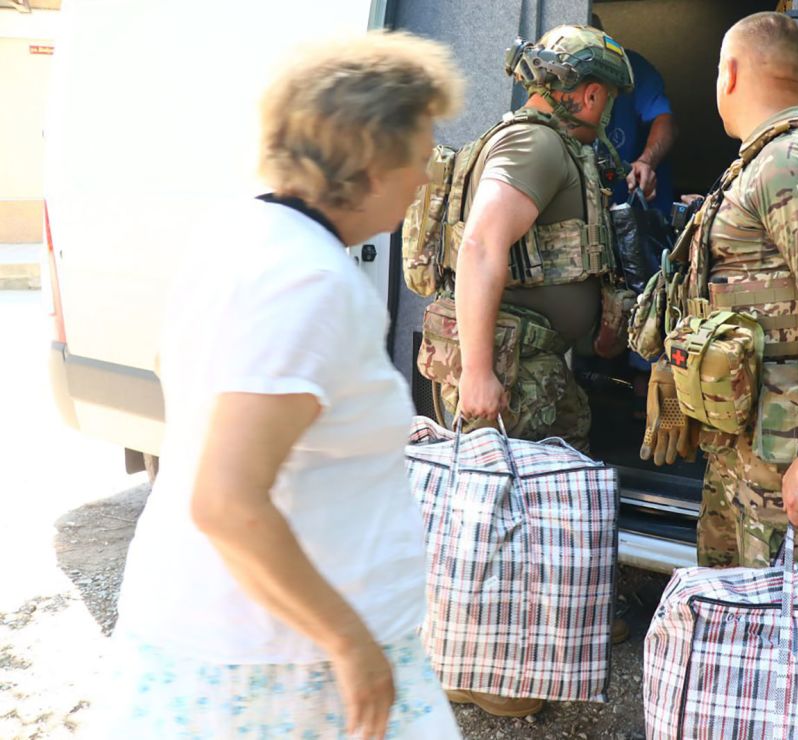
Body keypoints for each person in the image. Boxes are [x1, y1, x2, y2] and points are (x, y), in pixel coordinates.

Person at [91, 32, 464, 739]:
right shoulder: (307, 283)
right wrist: (348, 643)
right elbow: (226, 502)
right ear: (368, 159)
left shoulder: (245, 233)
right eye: (419, 155)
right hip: (280, 663)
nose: (425, 178)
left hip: (260, 641)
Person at [644, 12, 798, 569]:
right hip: (745, 437)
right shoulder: (763, 161)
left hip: (782, 450)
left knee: (785, 614)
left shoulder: (791, 161)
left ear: (729, 73)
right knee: (732, 606)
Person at [444, 24, 634, 453]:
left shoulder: (549, 144)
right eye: (609, 99)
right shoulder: (535, 144)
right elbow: (479, 246)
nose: (607, 111)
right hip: (508, 375)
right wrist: (477, 373)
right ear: (592, 95)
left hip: (530, 367)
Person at [590, 13, 678, 212]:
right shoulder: (562, 81)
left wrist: (646, 161)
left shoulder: (631, 68)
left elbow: (665, 120)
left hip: (636, 202)